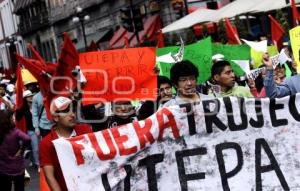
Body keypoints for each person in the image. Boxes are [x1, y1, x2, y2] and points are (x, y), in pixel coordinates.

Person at [39, 96, 92, 191]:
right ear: (55, 117)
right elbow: (49, 176)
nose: (72, 114)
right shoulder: (46, 143)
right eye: (66, 111)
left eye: (73, 110)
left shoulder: (86, 130)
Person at [0, 110, 31, 191]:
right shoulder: (15, 131)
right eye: (12, 117)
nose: (14, 119)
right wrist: (22, 149)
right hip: (18, 168)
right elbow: (27, 138)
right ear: (8, 120)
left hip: (3, 169)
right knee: (19, 188)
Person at [16, 90, 40, 168]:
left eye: (31, 95)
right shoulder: (23, 108)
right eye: (28, 96)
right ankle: (37, 163)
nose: (31, 97)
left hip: (41, 129)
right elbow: (18, 118)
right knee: (35, 148)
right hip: (31, 131)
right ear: (25, 98)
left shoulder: (37, 105)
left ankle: (33, 161)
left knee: (37, 147)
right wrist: (18, 109)